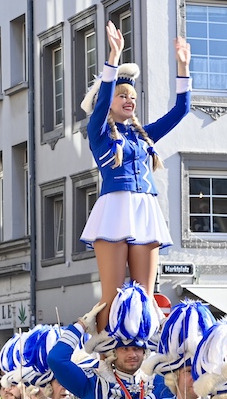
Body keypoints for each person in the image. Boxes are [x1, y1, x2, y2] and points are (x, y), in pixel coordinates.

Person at [79, 21, 191, 333]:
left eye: (133, 96)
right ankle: (103, 356)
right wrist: (113, 57)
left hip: (145, 209)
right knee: (112, 296)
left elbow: (181, 110)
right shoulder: (98, 132)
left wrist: (183, 68)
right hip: (114, 209)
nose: (130, 100)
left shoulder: (144, 135)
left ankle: (145, 358)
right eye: (122, 96)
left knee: (145, 295)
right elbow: (101, 105)